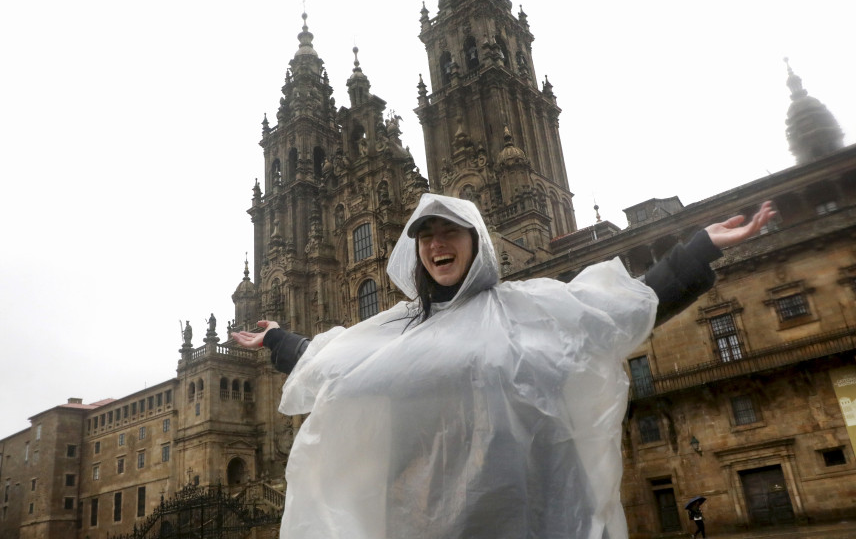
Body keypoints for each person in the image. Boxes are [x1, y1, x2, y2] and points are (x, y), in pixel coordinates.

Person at [233, 193, 774, 539]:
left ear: (477, 244)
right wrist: (278, 338)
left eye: (450, 233)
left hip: (531, 503)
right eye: (426, 236)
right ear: (415, 251)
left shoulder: (524, 307)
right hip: (421, 511)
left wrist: (698, 248)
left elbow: (613, 314)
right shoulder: (400, 327)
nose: (437, 244)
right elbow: (335, 363)